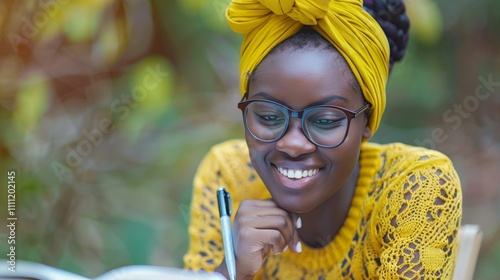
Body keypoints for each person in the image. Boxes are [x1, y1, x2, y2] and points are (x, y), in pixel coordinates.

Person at [184, 0, 462, 279]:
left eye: (325, 121)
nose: (292, 144)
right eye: (269, 117)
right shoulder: (229, 177)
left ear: (367, 120)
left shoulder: (413, 189)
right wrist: (231, 270)